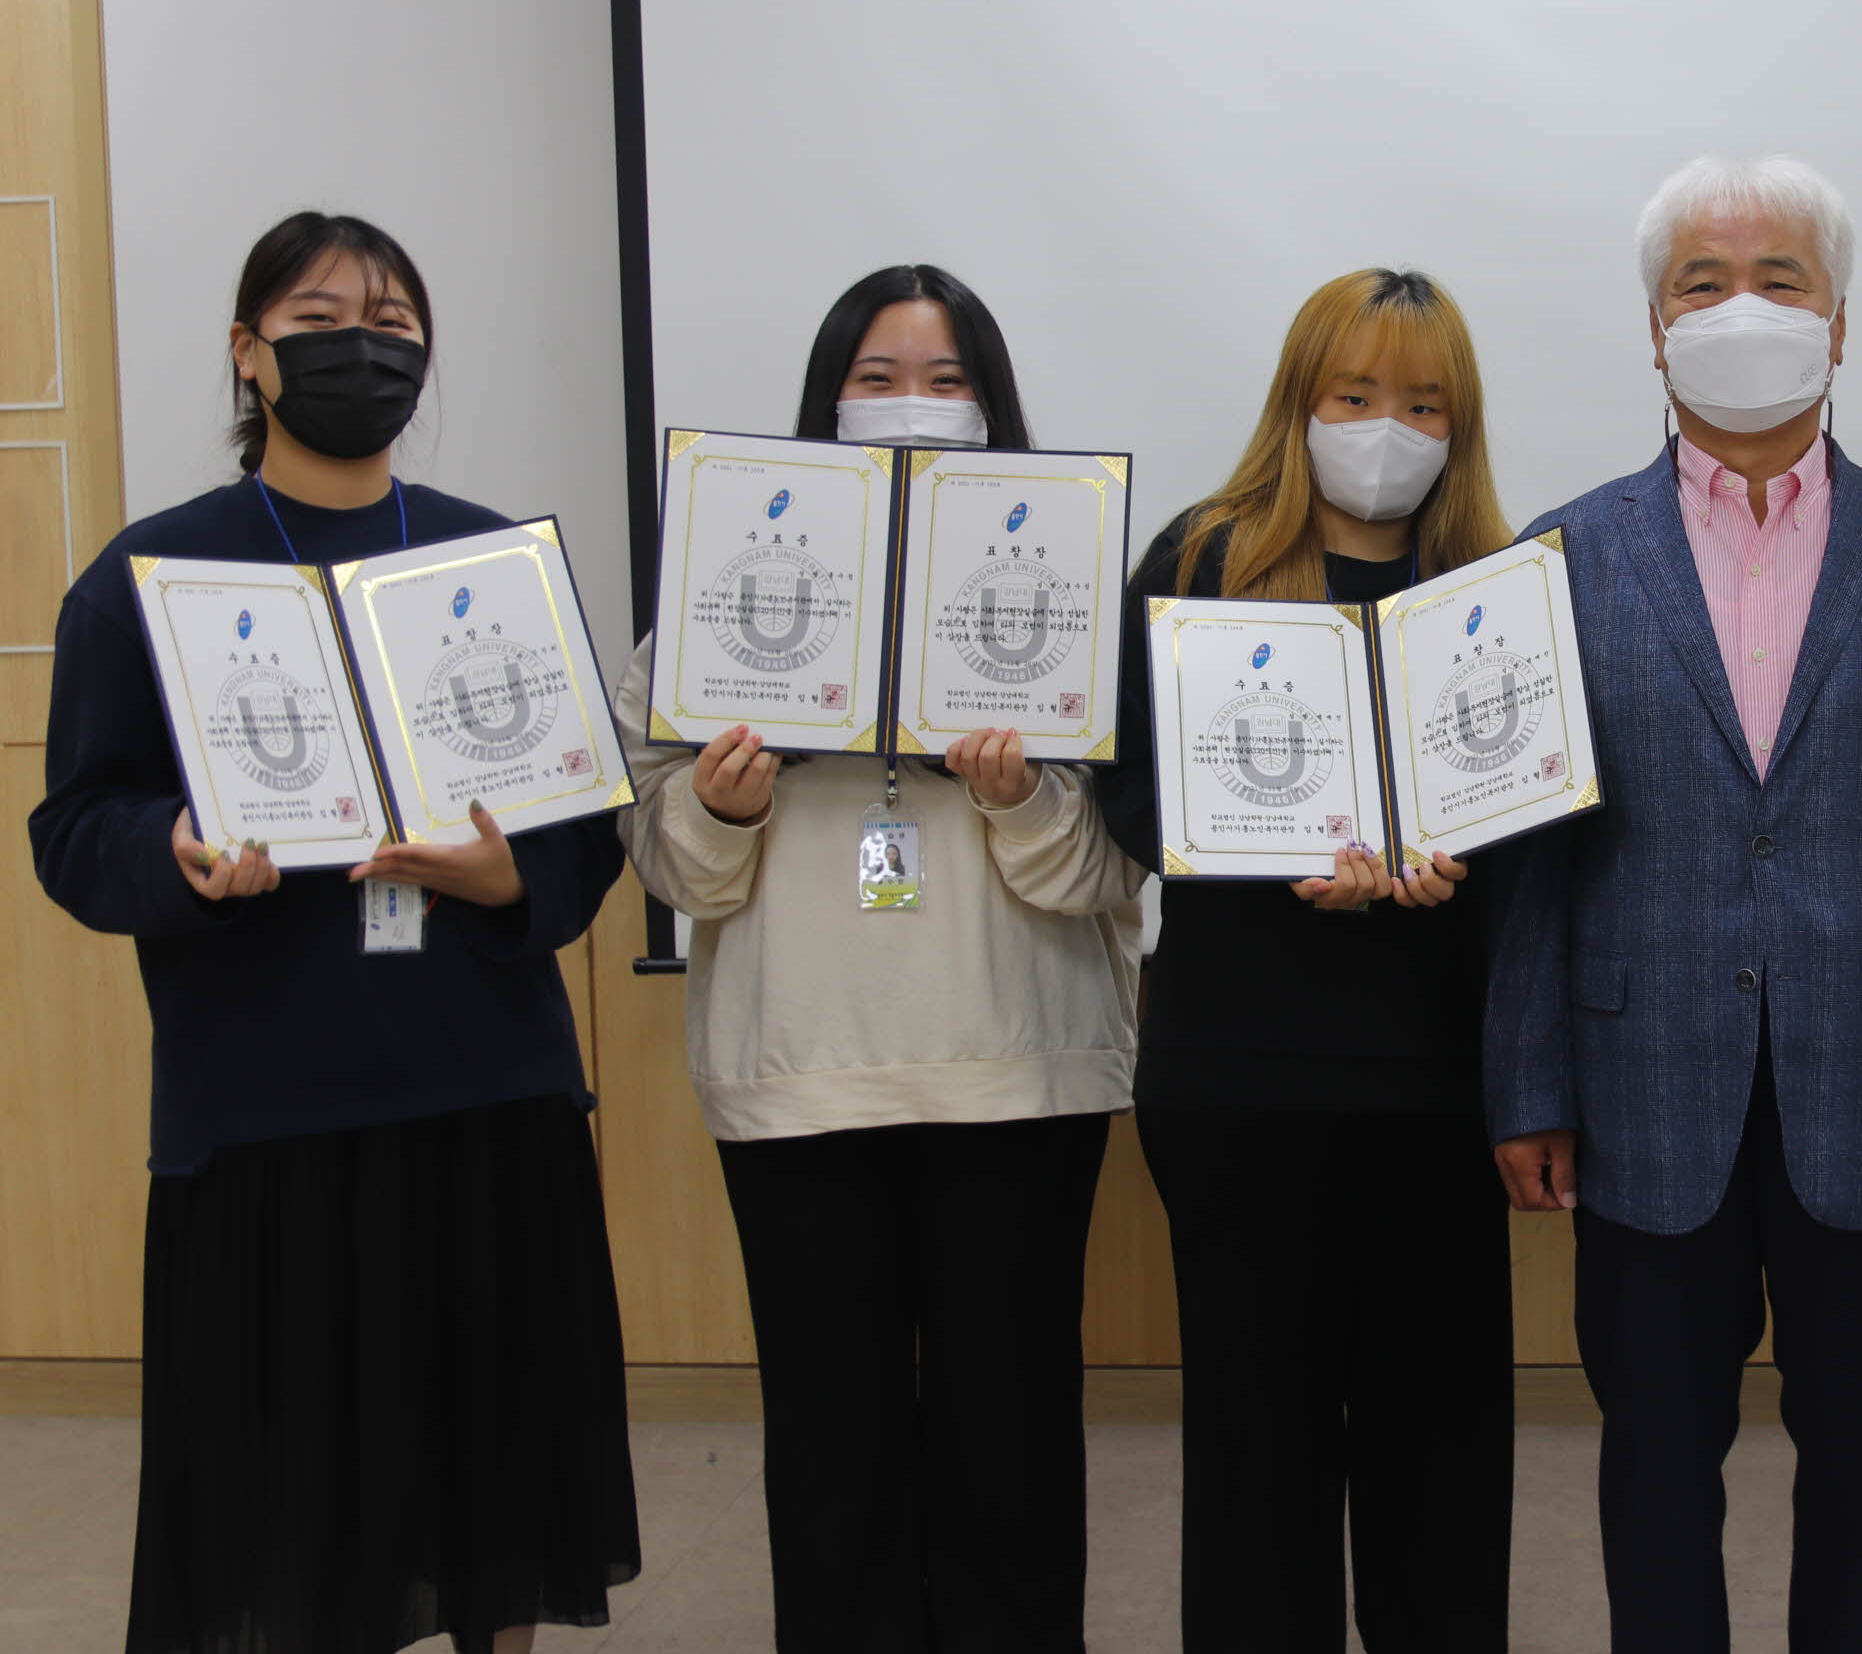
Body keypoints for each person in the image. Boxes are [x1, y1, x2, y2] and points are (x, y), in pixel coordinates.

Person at [28, 211, 638, 1654]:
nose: (363, 347)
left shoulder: (489, 561)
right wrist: (177, 851)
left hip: (487, 1090)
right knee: (284, 1514)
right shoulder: (149, 576)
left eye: (393, 322)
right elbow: (77, 829)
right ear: (248, 353)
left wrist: (506, 879)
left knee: (491, 1482)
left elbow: (582, 829)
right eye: (319, 319)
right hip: (267, 1114)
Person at [1483, 155, 1862, 1652]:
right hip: (1640, 1090)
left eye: (1780, 281)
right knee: (1656, 1469)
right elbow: (1535, 856)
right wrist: (1527, 1084)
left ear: (1840, 322)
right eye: (1703, 284)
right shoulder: (1559, 556)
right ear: (1654, 327)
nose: (1743, 309)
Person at [614, 265, 1144, 1652]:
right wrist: (723, 806)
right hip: (801, 1074)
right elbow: (666, 864)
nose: (913, 405)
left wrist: (1018, 799)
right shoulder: (717, 592)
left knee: (1012, 1442)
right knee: (831, 1445)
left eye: (947, 380)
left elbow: (1112, 869)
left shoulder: (1073, 597)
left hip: (1017, 1071)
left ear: (994, 405)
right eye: (879, 378)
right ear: (827, 401)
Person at [1095, 268, 1518, 1652]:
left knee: (1440, 1466)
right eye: (1356, 395)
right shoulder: (1199, 563)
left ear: (1459, 427)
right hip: (1240, 1081)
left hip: (1440, 1088)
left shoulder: (1494, 590)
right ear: (1300, 402)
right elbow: (1130, 793)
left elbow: (1538, 819)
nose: (1388, 428)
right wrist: (1263, 852)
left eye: (1424, 405)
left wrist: (1464, 866)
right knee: (1253, 1460)